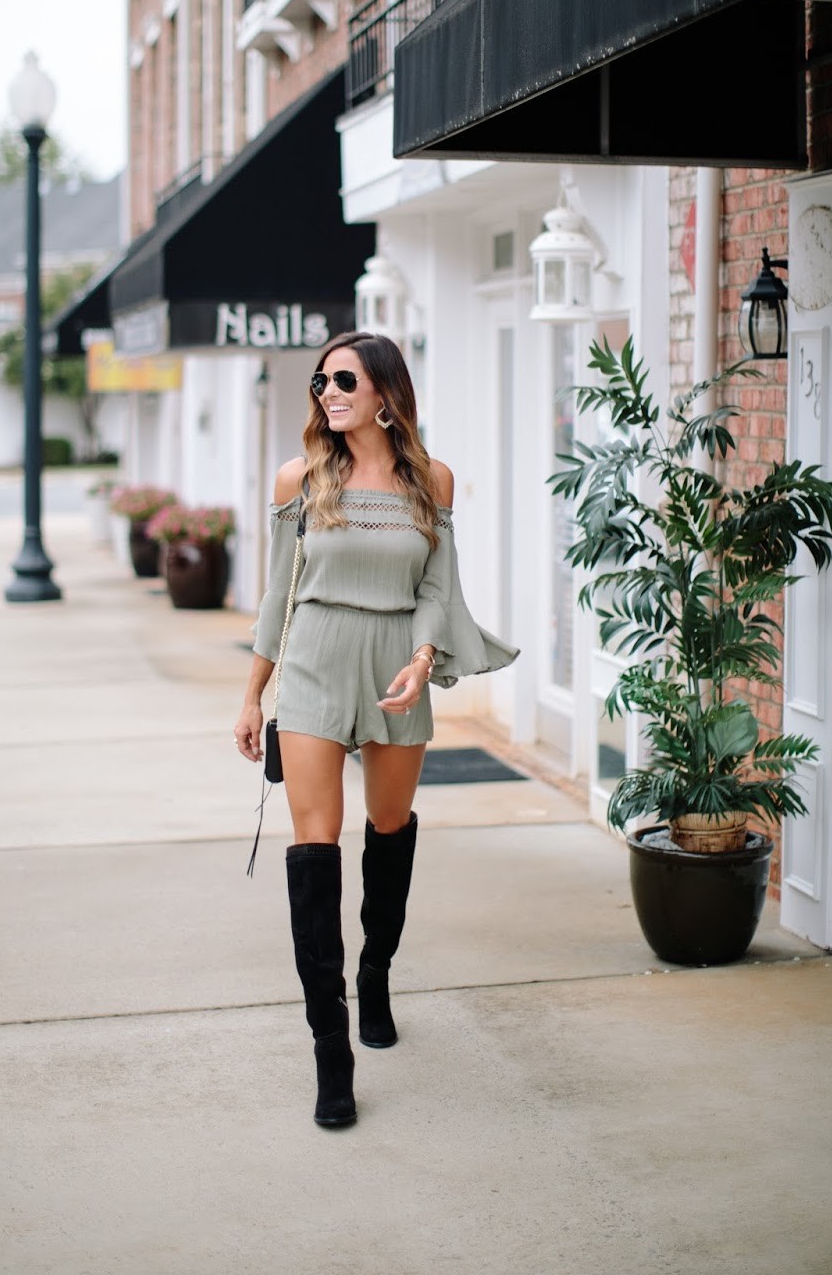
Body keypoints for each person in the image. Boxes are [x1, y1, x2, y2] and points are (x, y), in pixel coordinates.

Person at [234, 331, 518, 1128]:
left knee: (388, 829)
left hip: (397, 666)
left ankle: (378, 973)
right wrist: (253, 695)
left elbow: (437, 582)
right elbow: (274, 599)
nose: (327, 391)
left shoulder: (432, 480)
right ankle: (331, 1049)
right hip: (317, 662)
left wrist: (425, 657)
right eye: (321, 380)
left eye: (344, 379)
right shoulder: (302, 478)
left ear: (385, 393)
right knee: (314, 851)